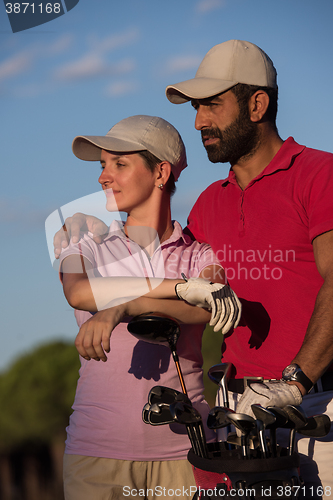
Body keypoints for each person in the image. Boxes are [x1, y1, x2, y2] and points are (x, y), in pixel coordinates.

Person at [165, 40, 333, 496]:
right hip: (237, 409)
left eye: (213, 105)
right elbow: (183, 295)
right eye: (197, 108)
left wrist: (296, 382)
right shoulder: (206, 203)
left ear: (257, 104)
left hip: (318, 401)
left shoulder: (320, 173)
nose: (199, 121)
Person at [57, 114, 241, 500]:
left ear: (160, 171)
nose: (103, 177)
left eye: (119, 164)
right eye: (103, 165)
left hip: (188, 454)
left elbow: (210, 309)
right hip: (96, 457)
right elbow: (79, 292)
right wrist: (179, 290)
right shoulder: (83, 244)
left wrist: (124, 307)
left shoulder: (200, 254)